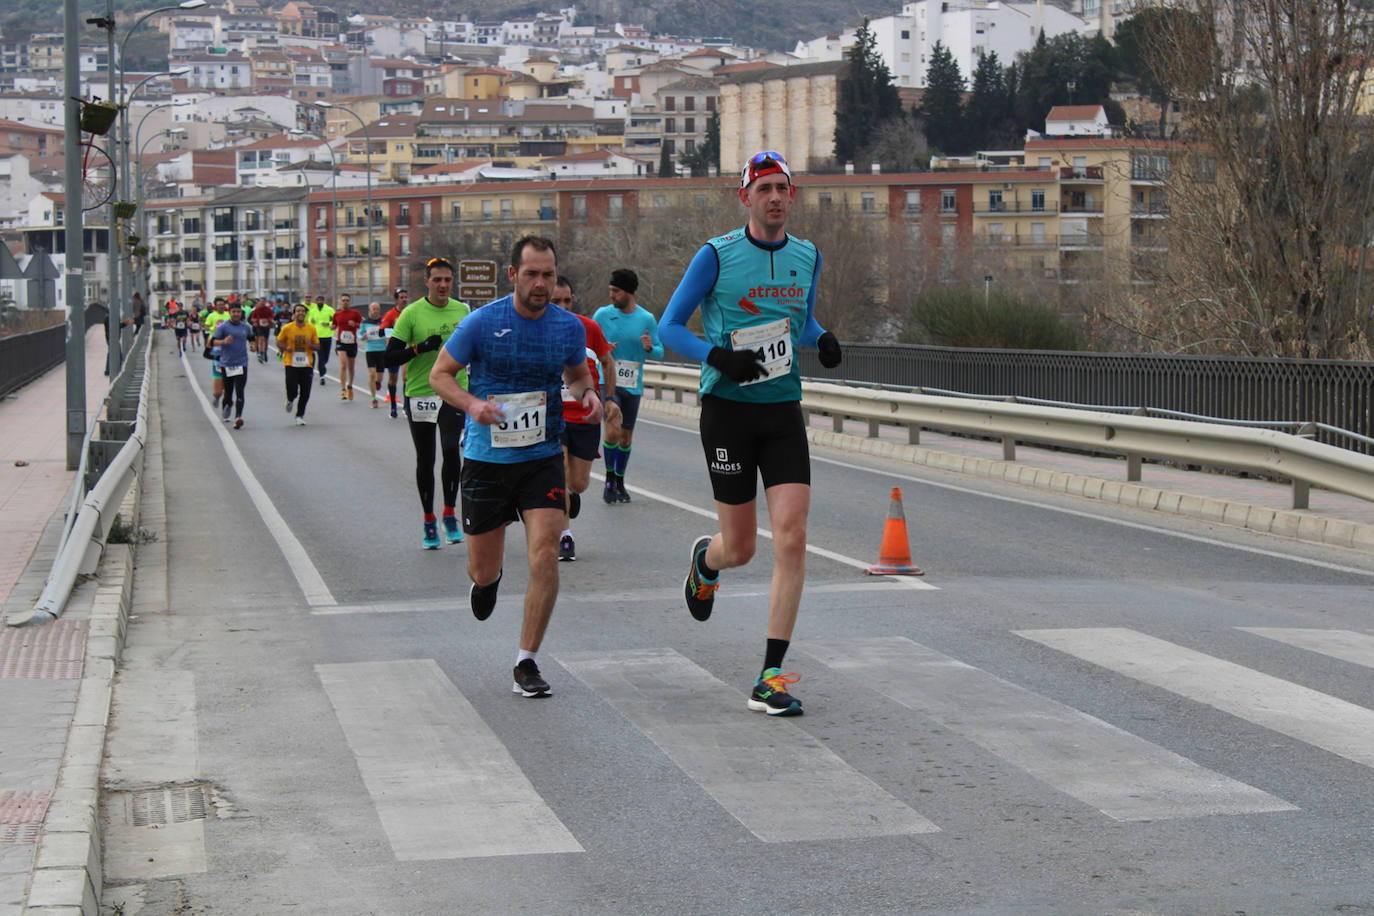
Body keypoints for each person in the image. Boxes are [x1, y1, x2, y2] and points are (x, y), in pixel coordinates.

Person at [657, 150, 844, 718]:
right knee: (739, 547)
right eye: (764, 188)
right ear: (746, 197)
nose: (775, 198)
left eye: (782, 188)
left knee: (791, 537)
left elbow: (802, 320)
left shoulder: (807, 256)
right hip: (728, 411)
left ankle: (770, 675)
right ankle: (705, 563)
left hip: (782, 410)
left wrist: (823, 336)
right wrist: (718, 355)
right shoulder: (717, 256)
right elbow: (668, 328)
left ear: (792, 196)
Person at [429, 236, 602, 699]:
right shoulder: (482, 323)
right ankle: (488, 582)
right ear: (513, 276)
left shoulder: (567, 328)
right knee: (483, 569)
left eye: (548, 273)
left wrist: (588, 394)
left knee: (546, 551)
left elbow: (577, 372)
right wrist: (472, 405)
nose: (541, 283)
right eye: (532, 274)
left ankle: (527, 660)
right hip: (487, 460)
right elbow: (439, 375)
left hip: (543, 456)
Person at [385, 259, 470, 549]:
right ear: (427, 281)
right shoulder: (411, 314)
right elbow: (390, 357)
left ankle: (449, 513)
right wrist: (420, 348)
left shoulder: (462, 310)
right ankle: (428, 519)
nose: (443, 285)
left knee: (450, 449)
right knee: (426, 458)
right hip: (421, 392)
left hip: (454, 390)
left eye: (447, 280)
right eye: (437, 280)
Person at [550, 275, 619, 562]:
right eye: (556, 301)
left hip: (585, 418)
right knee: (558, 471)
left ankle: (570, 495)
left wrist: (611, 399)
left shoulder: (588, 328)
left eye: (567, 300)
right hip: (553, 418)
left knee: (578, 483)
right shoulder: (539, 328)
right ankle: (565, 536)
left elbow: (607, 361)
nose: (563, 306)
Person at [593, 268, 663, 504]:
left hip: (632, 384)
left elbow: (660, 350)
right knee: (612, 429)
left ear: (629, 292)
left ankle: (620, 481)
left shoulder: (646, 319)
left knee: (625, 438)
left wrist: (649, 347)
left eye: (616, 291)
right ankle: (609, 479)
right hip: (608, 381)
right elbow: (588, 344)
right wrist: (602, 349)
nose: (611, 295)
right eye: (610, 290)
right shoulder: (602, 315)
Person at [276, 303, 318, 426]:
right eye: (298, 311)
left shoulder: (311, 328)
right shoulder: (287, 328)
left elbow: (317, 346)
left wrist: (311, 345)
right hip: (291, 363)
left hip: (307, 363)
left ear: (305, 313)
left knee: (305, 391)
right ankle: (290, 399)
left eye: (302, 311)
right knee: (292, 390)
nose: (300, 313)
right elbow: (278, 342)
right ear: (294, 314)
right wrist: (286, 347)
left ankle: (299, 415)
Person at [213, 303, 252, 429]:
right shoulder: (223, 327)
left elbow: (252, 337)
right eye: (233, 312)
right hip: (227, 364)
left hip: (242, 363)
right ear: (229, 312)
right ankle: (227, 406)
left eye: (238, 312)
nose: (236, 314)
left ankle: (238, 417)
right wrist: (223, 342)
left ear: (241, 313)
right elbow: (212, 341)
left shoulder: (245, 327)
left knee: (240, 391)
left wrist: (253, 345)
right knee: (228, 393)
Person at [378, 287, 408, 418]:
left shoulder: (410, 312)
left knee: (406, 378)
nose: (404, 299)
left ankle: (406, 407)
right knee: (393, 379)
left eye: (405, 297)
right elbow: (381, 331)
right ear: (396, 299)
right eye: (401, 297)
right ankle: (393, 407)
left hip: (407, 349)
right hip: (394, 350)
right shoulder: (390, 314)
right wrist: (391, 329)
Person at [333, 293, 364, 400]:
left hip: (352, 343)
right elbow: (334, 325)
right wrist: (332, 326)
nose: (345, 302)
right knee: (343, 365)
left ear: (350, 302)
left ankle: (350, 386)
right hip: (341, 342)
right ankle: (343, 390)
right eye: (343, 300)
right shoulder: (337, 314)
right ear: (340, 302)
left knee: (351, 367)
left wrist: (355, 325)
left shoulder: (355, 313)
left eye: (347, 300)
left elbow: (362, 325)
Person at [359, 301, 388, 408]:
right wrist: (363, 336)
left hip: (381, 350)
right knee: (371, 374)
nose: (376, 311)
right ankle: (374, 398)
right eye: (374, 309)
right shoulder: (365, 322)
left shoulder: (383, 321)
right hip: (370, 350)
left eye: (377, 309)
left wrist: (388, 337)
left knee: (379, 377)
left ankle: (378, 382)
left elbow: (389, 332)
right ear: (369, 310)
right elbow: (359, 334)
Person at [203, 297, 230, 408]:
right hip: (216, 348)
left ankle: (225, 397)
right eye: (219, 305)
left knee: (228, 378)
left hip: (228, 348)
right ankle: (217, 395)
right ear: (215, 306)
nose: (221, 306)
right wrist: (216, 327)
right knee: (218, 382)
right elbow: (207, 327)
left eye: (223, 304)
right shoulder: (211, 316)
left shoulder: (228, 315)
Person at [306, 294, 335, 386]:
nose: (319, 302)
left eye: (321, 300)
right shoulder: (312, 311)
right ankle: (322, 375)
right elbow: (309, 321)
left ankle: (323, 366)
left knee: (326, 357)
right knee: (320, 356)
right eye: (318, 300)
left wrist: (328, 323)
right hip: (317, 336)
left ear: (323, 301)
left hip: (327, 335)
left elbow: (335, 320)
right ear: (316, 301)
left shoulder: (329, 310)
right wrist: (312, 320)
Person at [248, 297, 274, 363]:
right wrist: (255, 321)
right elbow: (252, 318)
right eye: (261, 301)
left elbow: (271, 317)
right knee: (261, 339)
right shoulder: (257, 310)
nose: (262, 303)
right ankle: (260, 353)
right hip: (259, 327)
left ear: (265, 302)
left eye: (263, 301)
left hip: (266, 326)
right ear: (259, 302)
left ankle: (265, 351)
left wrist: (269, 320)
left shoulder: (268, 309)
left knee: (266, 340)